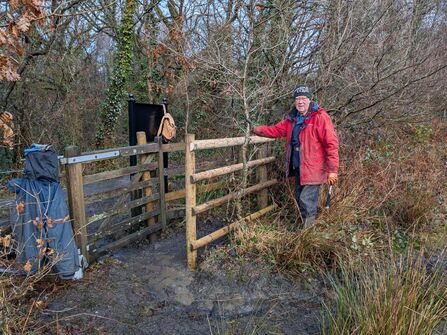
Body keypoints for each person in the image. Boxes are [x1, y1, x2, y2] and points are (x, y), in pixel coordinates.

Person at [253, 85, 339, 227]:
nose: (300, 102)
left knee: (306, 199)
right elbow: (275, 130)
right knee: (300, 198)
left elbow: (331, 144)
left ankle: (308, 233)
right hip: (298, 166)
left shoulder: (320, 117)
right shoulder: (291, 119)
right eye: (298, 99)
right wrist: (257, 130)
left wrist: (333, 170)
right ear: (294, 101)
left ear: (309, 100)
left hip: (314, 168)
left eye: (303, 99)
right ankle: (305, 227)